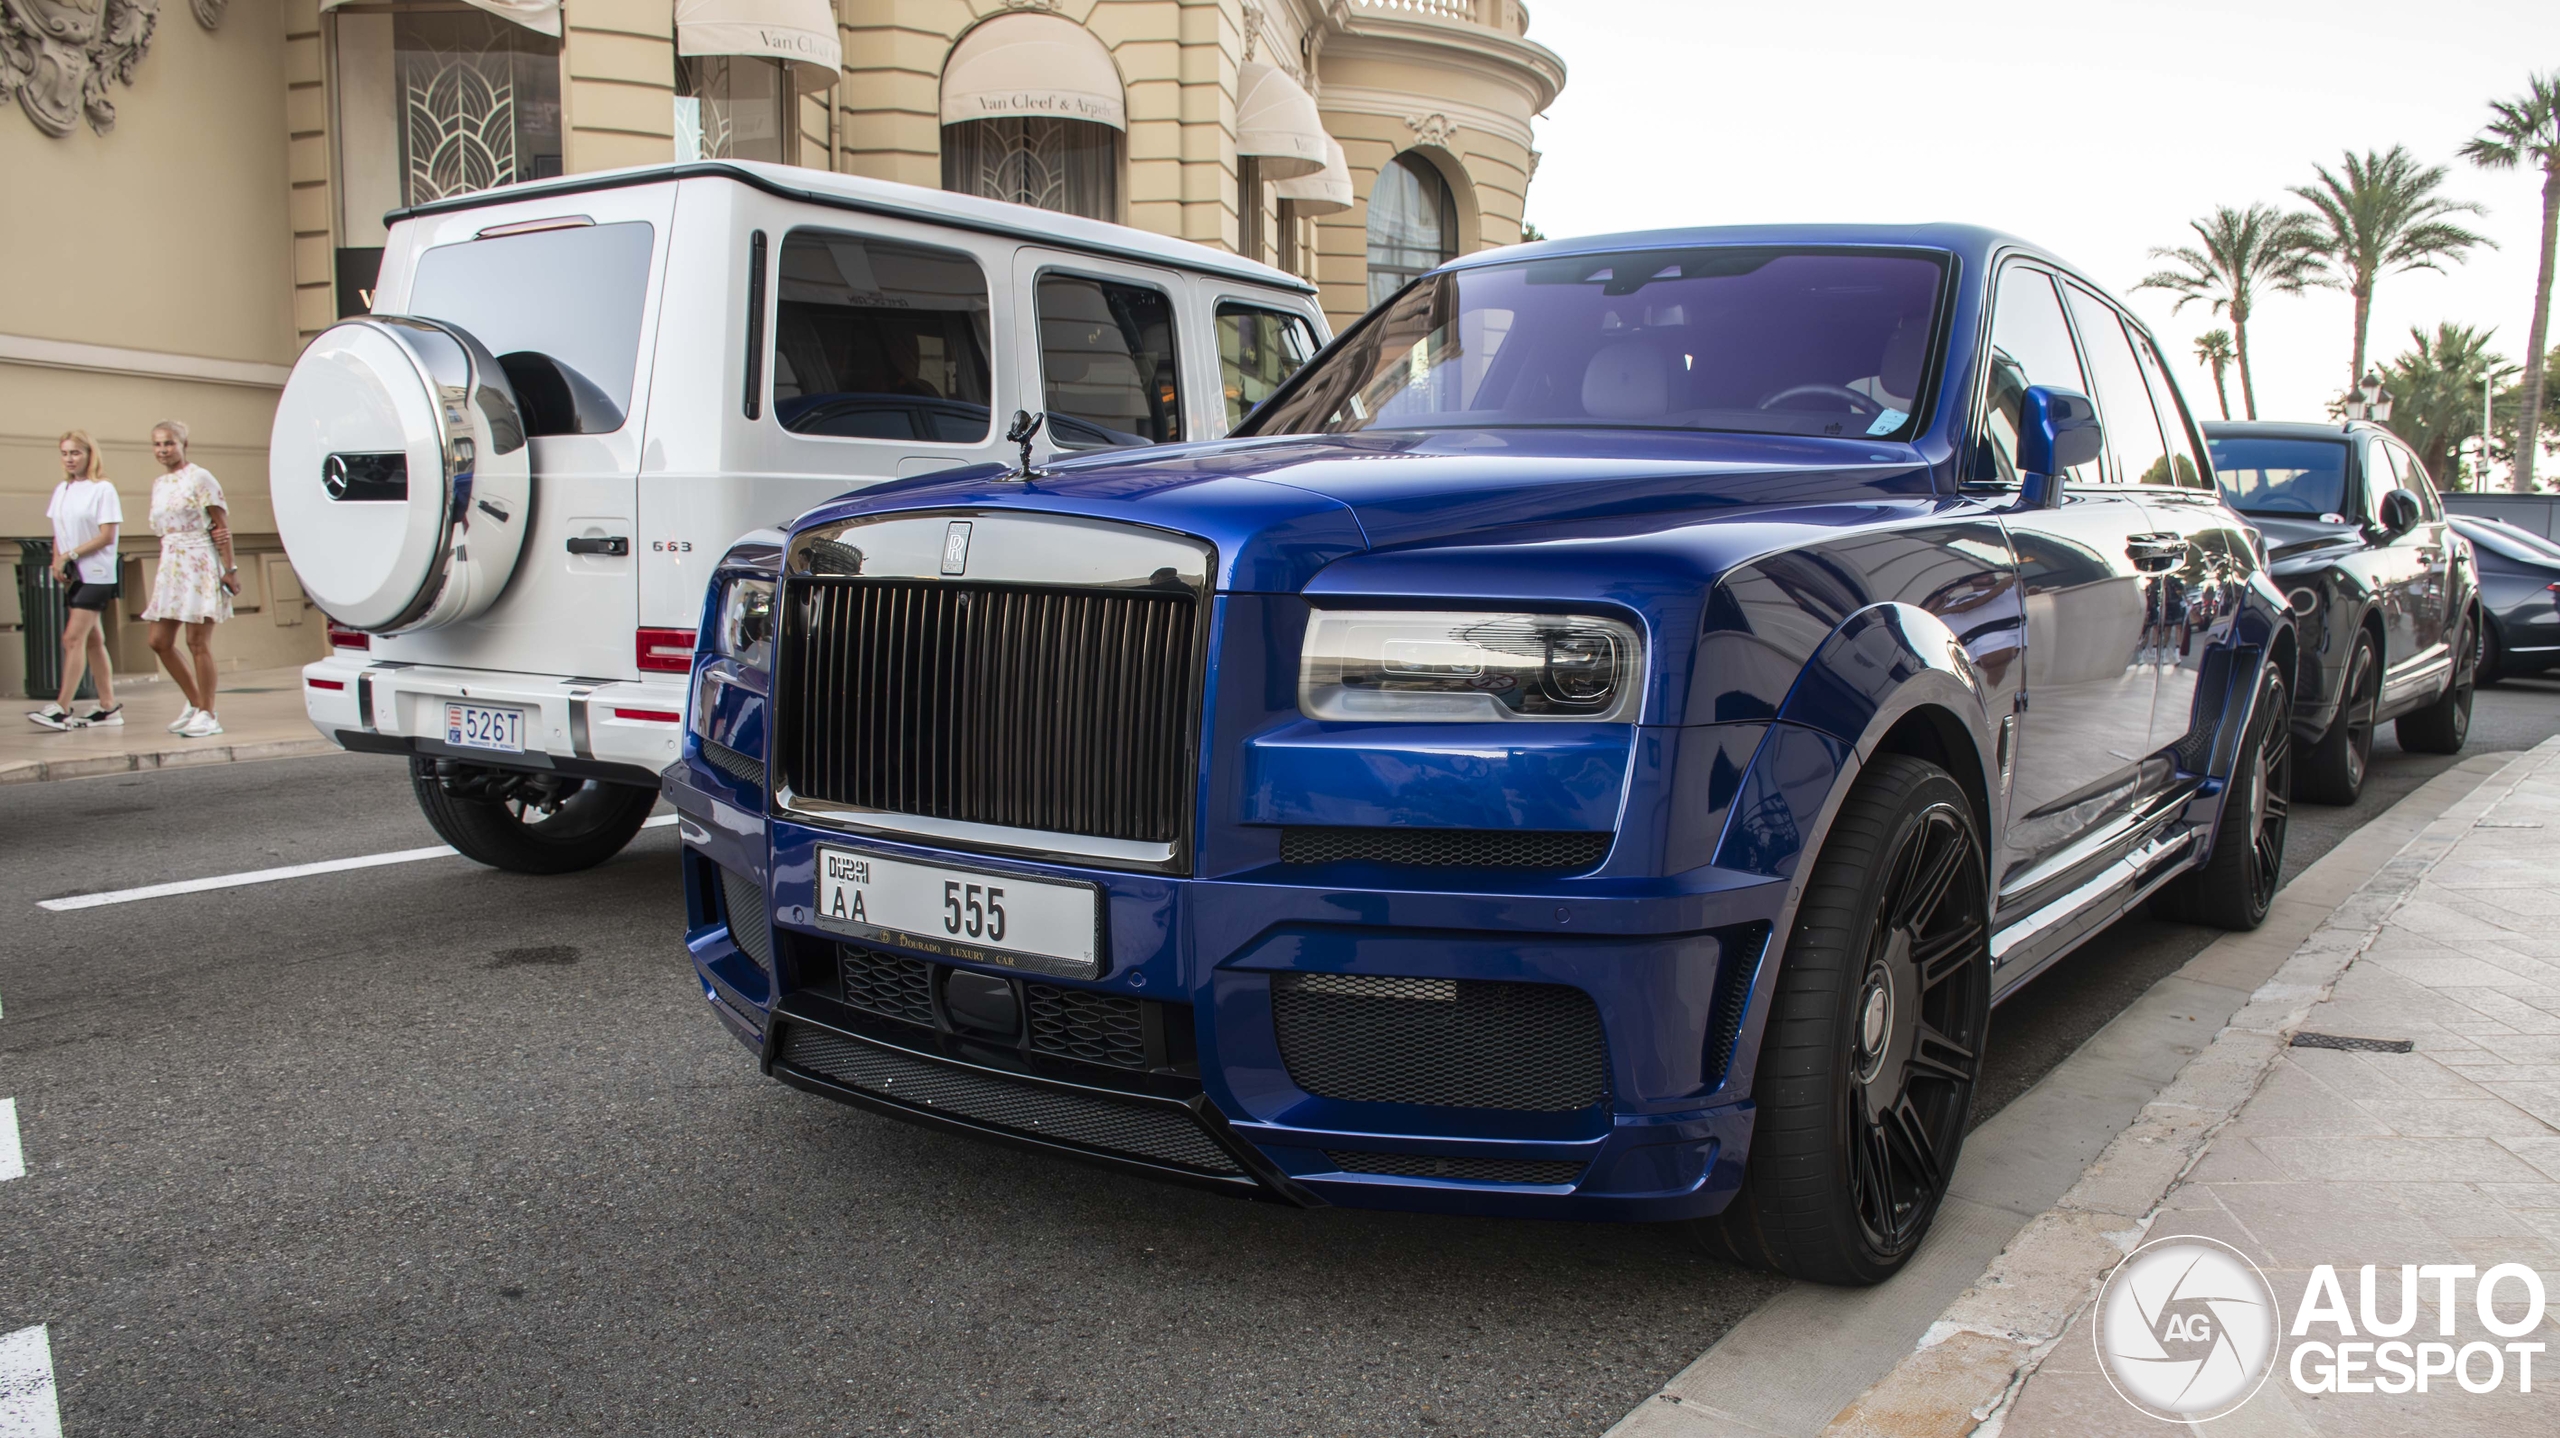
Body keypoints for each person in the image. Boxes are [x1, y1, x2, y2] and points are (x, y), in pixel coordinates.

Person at [139, 420, 238, 738]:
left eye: (168, 443)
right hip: (171, 565)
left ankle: (209, 713)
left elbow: (221, 528)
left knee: (197, 642)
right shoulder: (159, 483)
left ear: (183, 445)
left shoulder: (201, 478)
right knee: (159, 641)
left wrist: (230, 569)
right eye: (157, 444)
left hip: (199, 562)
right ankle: (196, 703)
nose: (162, 449)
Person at [28, 430, 124, 730]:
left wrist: (69, 554)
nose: (69, 459)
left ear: (89, 454)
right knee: (94, 640)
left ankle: (61, 708)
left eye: (75, 453)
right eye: (65, 453)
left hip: (98, 574)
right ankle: (108, 708)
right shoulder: (63, 489)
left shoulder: (103, 489)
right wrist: (58, 559)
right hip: (76, 574)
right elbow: (59, 529)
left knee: (71, 639)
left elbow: (107, 536)